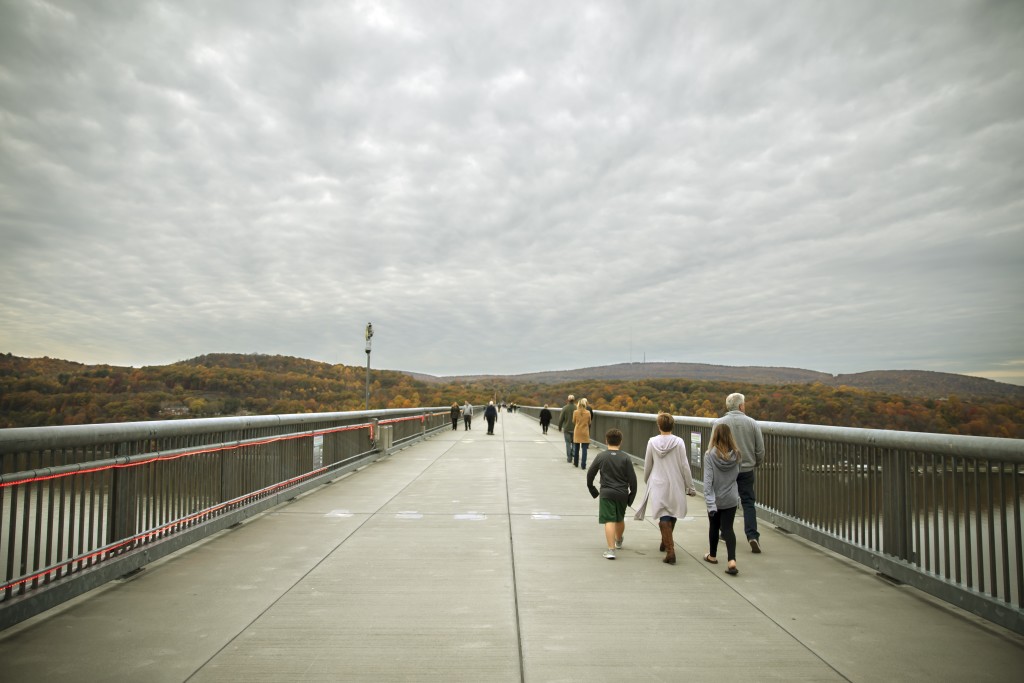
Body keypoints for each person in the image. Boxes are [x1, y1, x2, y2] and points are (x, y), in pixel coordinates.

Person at [633, 412, 697, 565]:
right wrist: (690, 486)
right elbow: (685, 465)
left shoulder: (652, 442)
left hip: (658, 481)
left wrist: (647, 479)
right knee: (672, 512)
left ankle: (667, 545)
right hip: (675, 481)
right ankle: (669, 548)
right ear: (672, 425)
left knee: (664, 513)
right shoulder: (679, 442)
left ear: (659, 426)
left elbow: (648, 464)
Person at [714, 392, 765, 553]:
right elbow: (760, 449)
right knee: (748, 502)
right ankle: (752, 536)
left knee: (724, 501)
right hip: (746, 468)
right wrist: (756, 462)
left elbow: (714, 448)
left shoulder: (719, 423)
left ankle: (724, 532)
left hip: (726, 469)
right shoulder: (752, 423)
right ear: (741, 406)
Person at [587, 429, 637, 559]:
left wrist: (593, 490)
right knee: (619, 518)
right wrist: (631, 497)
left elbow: (590, 474)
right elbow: (633, 479)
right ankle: (618, 540)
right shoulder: (625, 458)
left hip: (607, 493)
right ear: (620, 442)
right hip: (622, 493)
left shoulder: (601, 456)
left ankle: (611, 550)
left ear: (606, 441)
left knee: (609, 519)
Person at [703, 423, 741, 576]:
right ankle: (732, 561)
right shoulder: (737, 455)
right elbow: (736, 476)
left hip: (715, 499)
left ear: (715, 436)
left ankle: (712, 556)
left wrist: (710, 503)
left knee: (714, 526)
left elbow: (708, 482)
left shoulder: (709, 455)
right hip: (731, 498)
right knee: (728, 529)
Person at [572, 398, 592, 469]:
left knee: (576, 448)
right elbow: (589, 422)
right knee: (584, 449)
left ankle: (576, 463)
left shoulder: (575, 412)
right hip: (585, 432)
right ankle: (583, 465)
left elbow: (573, 421)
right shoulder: (588, 412)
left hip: (577, 431)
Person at [557, 395, 576, 463]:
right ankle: (574, 453)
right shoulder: (576, 407)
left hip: (567, 428)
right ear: (574, 400)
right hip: (575, 429)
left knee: (568, 443)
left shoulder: (565, 408)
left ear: (568, 400)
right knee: (574, 443)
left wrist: (559, 427)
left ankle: (569, 458)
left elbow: (561, 419)